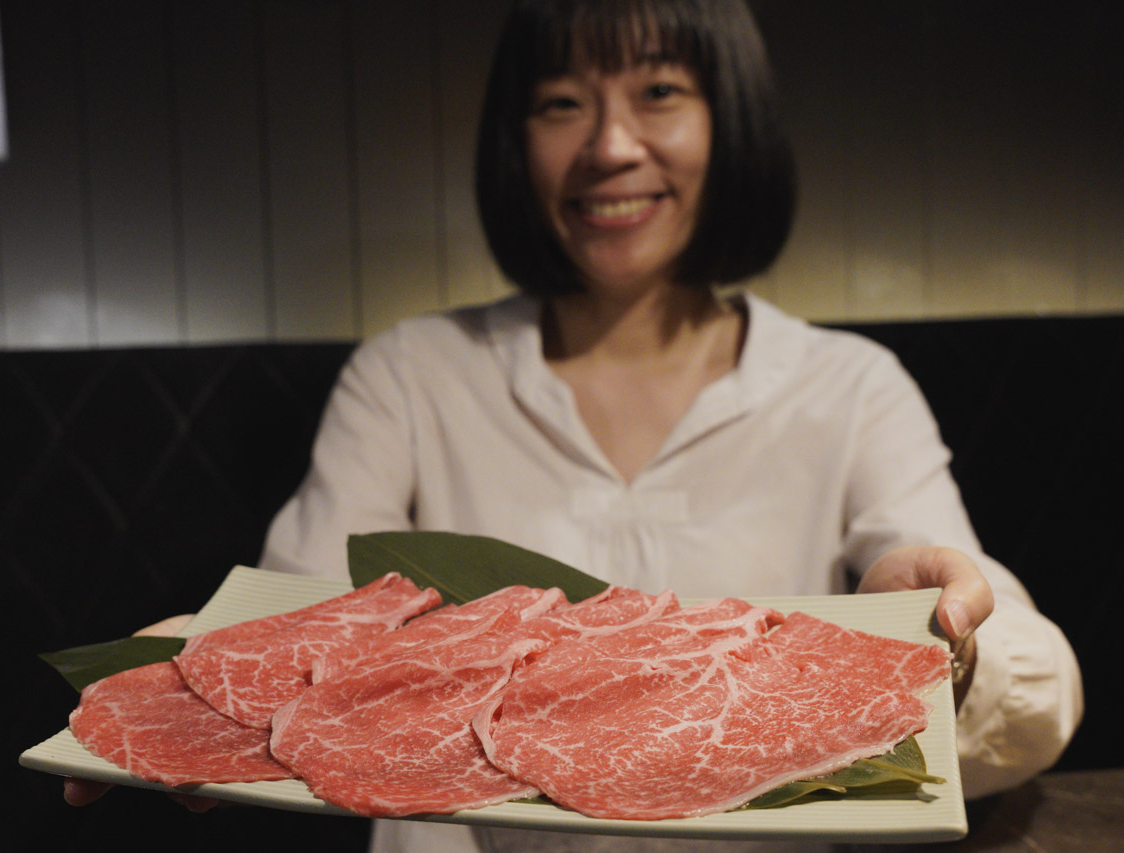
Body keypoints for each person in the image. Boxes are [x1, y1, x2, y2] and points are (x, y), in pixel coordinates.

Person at [67, 1, 1081, 850]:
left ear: (728, 122)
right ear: (514, 142)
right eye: (560, 104)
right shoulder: (413, 377)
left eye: (658, 93)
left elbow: (1033, 693)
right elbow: (299, 619)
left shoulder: (848, 386)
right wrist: (203, 670)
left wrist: (942, 643)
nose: (607, 147)